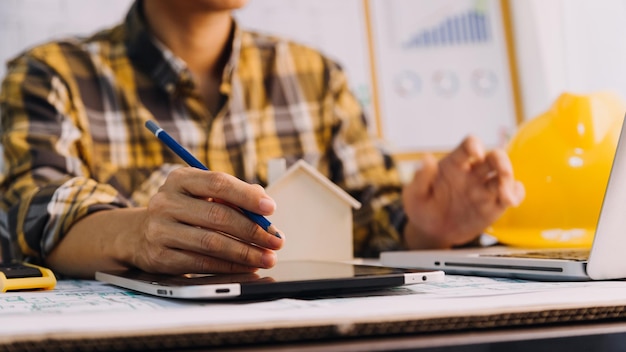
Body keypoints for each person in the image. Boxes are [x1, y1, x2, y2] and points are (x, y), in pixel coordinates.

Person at [0, 0, 524, 279]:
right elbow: (37, 212)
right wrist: (139, 234)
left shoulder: (318, 77)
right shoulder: (50, 75)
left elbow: (372, 221)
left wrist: (430, 229)